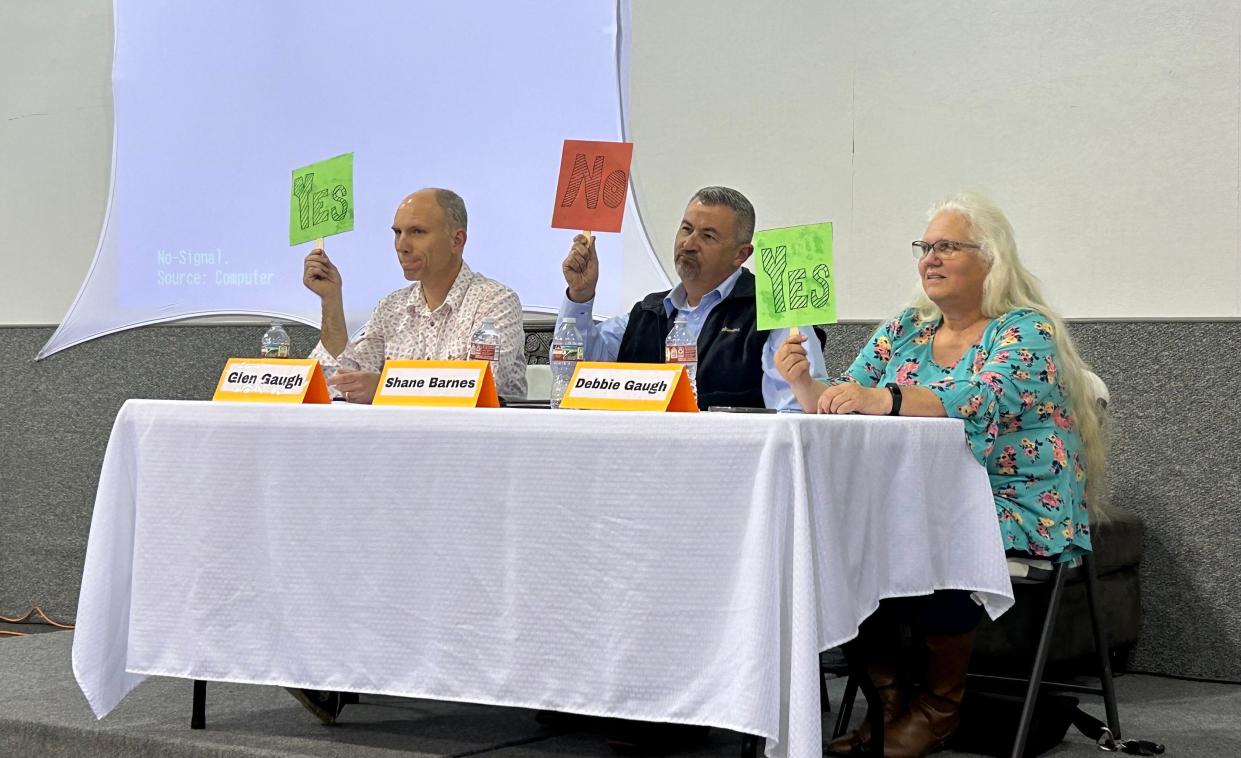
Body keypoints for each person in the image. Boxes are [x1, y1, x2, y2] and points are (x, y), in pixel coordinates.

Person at [775, 193, 1106, 757]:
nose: (929, 258)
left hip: (1015, 502)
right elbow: (851, 402)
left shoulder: (1025, 329)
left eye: (947, 246)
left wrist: (885, 397)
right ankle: (888, 705)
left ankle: (937, 712)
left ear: (991, 259)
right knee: (836, 534)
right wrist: (809, 388)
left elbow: (983, 397)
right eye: (924, 247)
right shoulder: (906, 328)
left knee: (930, 533)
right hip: (917, 500)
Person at [559, 185, 824, 410]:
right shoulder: (649, 311)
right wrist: (580, 296)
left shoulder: (774, 312)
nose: (688, 244)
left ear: (741, 255)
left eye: (707, 236)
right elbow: (573, 373)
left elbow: (794, 412)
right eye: (686, 229)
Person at [305, 187, 527, 403]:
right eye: (397, 232)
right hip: (399, 438)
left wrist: (384, 388)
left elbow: (481, 385)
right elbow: (346, 378)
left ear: (457, 240)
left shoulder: (496, 301)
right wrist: (331, 300)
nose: (401, 245)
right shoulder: (391, 307)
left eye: (417, 232)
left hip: (475, 437)